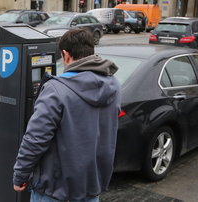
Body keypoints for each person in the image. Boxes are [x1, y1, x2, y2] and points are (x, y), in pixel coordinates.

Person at [13, 29, 121, 202]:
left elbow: (35, 139)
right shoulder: (113, 84)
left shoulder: (56, 90)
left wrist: (20, 175)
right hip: (90, 188)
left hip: (54, 190)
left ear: (66, 54)